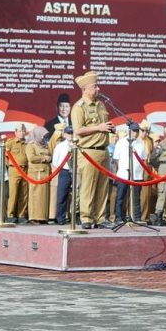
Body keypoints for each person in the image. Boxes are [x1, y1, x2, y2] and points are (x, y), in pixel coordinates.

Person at [70, 71, 115, 230]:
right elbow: (78, 130)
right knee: (88, 186)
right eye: (94, 86)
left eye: (97, 85)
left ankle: (100, 218)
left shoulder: (101, 104)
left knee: (103, 187)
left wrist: (108, 128)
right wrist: (99, 127)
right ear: (85, 89)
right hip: (88, 151)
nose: (98, 88)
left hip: (103, 149)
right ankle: (86, 218)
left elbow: (104, 125)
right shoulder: (79, 107)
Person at [112, 122, 146, 223]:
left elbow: (143, 159)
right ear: (129, 131)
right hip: (123, 174)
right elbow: (116, 159)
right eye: (134, 131)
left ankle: (137, 217)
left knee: (136, 198)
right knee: (120, 197)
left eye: (137, 131)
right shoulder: (121, 142)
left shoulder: (141, 143)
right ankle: (118, 217)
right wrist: (118, 171)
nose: (135, 133)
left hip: (137, 175)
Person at [25, 126, 51, 224]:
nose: (43, 138)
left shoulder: (45, 145)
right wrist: (44, 158)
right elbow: (31, 158)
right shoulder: (31, 145)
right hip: (36, 174)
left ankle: (43, 217)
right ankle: (34, 217)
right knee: (35, 196)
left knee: (44, 197)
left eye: (44, 136)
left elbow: (50, 155)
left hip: (46, 174)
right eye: (42, 136)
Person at [5, 123, 29, 224]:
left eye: (23, 131)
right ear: (15, 132)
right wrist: (9, 166)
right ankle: (10, 215)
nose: (22, 133)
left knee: (24, 194)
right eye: (20, 131)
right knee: (13, 193)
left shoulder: (27, 144)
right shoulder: (10, 143)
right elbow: (5, 157)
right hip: (14, 170)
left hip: (25, 170)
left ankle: (21, 215)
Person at [51, 125, 73, 225]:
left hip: (77, 171)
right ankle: (61, 218)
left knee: (78, 196)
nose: (70, 135)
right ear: (64, 134)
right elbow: (55, 161)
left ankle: (76, 217)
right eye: (68, 133)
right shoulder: (60, 146)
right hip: (64, 171)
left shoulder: (79, 144)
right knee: (62, 195)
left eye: (72, 133)